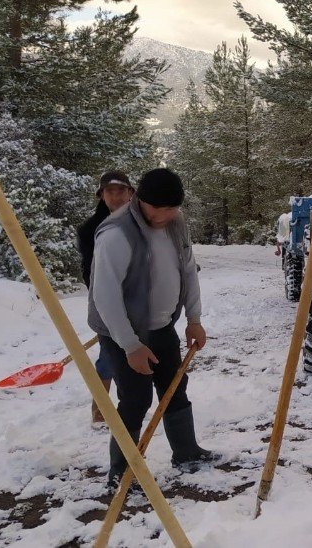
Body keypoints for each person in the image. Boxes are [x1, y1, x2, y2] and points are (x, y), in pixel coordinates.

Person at [88, 168, 214, 488]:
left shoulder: (174, 221)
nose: (168, 215)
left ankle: (187, 453)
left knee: (174, 388)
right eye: (160, 209)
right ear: (141, 200)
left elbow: (187, 269)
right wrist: (131, 346)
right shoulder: (116, 233)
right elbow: (105, 295)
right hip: (121, 332)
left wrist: (194, 318)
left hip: (161, 327)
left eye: (173, 208)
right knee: (135, 399)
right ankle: (121, 470)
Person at [77, 171, 134, 424]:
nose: (115, 196)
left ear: (130, 193)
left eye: (120, 190)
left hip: (139, 301)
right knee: (109, 355)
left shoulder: (141, 221)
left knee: (134, 352)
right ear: (101, 195)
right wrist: (106, 299)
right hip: (107, 303)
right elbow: (90, 271)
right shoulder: (91, 229)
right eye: (109, 191)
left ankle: (130, 403)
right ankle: (100, 409)